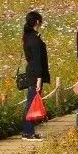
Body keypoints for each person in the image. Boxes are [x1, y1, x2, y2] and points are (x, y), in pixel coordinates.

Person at [21, 10, 50, 141]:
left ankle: (28, 131)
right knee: (31, 103)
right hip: (35, 74)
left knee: (30, 101)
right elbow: (37, 60)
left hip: (31, 72)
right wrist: (39, 79)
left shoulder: (28, 36)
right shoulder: (34, 39)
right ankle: (28, 132)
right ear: (37, 22)